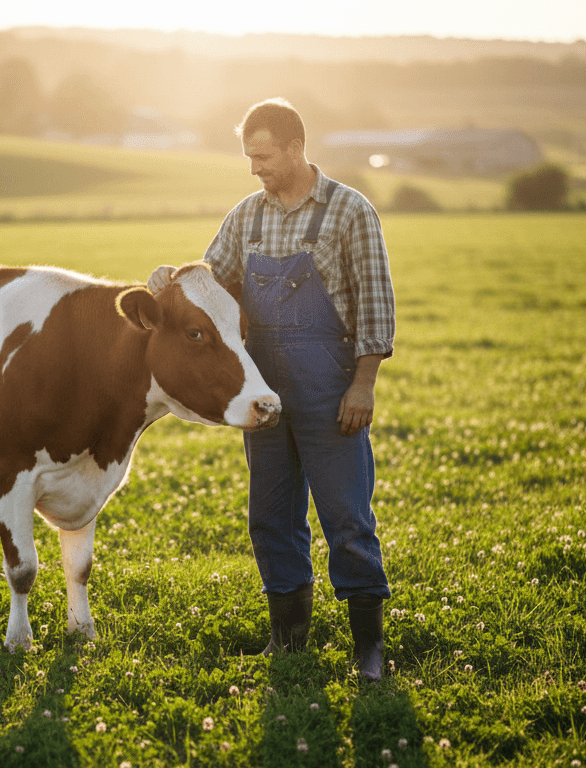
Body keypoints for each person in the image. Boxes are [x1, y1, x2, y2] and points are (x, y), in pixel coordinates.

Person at [151, 98, 394, 679]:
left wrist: (363, 384)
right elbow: (211, 279)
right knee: (271, 515)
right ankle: (288, 640)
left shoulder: (349, 211)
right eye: (248, 157)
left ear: (295, 147)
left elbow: (376, 305)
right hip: (261, 393)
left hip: (329, 389)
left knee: (346, 516)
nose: (254, 168)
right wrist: (173, 277)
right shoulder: (246, 215)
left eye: (263, 156)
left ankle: (370, 648)